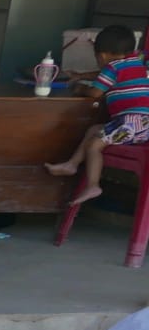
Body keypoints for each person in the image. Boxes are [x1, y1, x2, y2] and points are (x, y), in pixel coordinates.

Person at [47, 25, 149, 205]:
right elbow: (104, 74)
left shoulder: (111, 68)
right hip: (143, 124)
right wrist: (81, 75)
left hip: (130, 123)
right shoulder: (135, 62)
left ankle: (93, 185)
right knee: (94, 129)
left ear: (101, 56)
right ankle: (72, 164)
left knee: (95, 145)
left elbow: (95, 93)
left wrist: (81, 88)